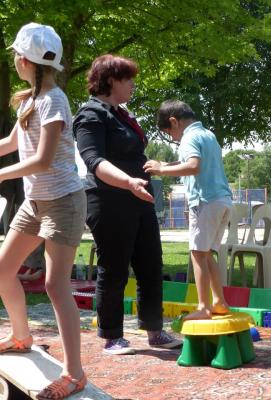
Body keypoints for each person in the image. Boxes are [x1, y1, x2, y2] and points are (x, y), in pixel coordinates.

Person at [73, 54, 182, 355]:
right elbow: (94, 161)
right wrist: (128, 182)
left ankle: (155, 331)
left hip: (139, 197)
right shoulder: (90, 115)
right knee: (115, 267)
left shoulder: (121, 113)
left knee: (150, 264)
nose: (133, 83)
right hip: (109, 199)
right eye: (127, 78)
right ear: (110, 81)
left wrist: (153, 168)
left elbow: (131, 154)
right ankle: (111, 336)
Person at [0, 23, 87, 398]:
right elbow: (9, 143)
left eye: (15, 56)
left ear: (25, 60)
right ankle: (22, 335)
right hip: (35, 204)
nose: (13, 61)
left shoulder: (55, 100)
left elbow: (42, 159)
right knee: (2, 271)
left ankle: (74, 373)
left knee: (54, 285)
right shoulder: (28, 101)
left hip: (64, 203)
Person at [144, 100, 232, 320]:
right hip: (222, 200)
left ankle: (203, 307)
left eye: (169, 133)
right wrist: (166, 164)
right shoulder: (207, 135)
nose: (172, 138)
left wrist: (162, 171)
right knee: (206, 253)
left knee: (197, 253)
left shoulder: (188, 138)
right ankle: (219, 301)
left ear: (174, 121)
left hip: (205, 201)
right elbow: (192, 161)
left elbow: (193, 166)